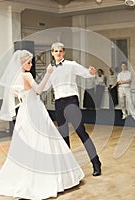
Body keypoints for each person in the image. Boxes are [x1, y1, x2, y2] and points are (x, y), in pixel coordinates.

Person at [0, 50, 84, 199]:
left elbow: (17, 95)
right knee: (43, 141)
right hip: (35, 110)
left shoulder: (15, 77)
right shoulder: (26, 75)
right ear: (22, 63)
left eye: (31, 62)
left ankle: (27, 174)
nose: (31, 65)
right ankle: (46, 177)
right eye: (28, 62)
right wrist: (48, 73)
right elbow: (39, 90)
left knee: (27, 143)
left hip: (24, 112)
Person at [43, 42, 102, 176]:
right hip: (59, 103)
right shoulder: (50, 68)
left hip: (71, 101)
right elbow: (45, 86)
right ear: (52, 53)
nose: (58, 53)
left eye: (60, 51)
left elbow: (86, 73)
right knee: (64, 135)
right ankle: (68, 168)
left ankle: (96, 163)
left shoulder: (71, 64)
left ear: (63, 52)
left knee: (81, 132)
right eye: (55, 51)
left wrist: (91, 72)